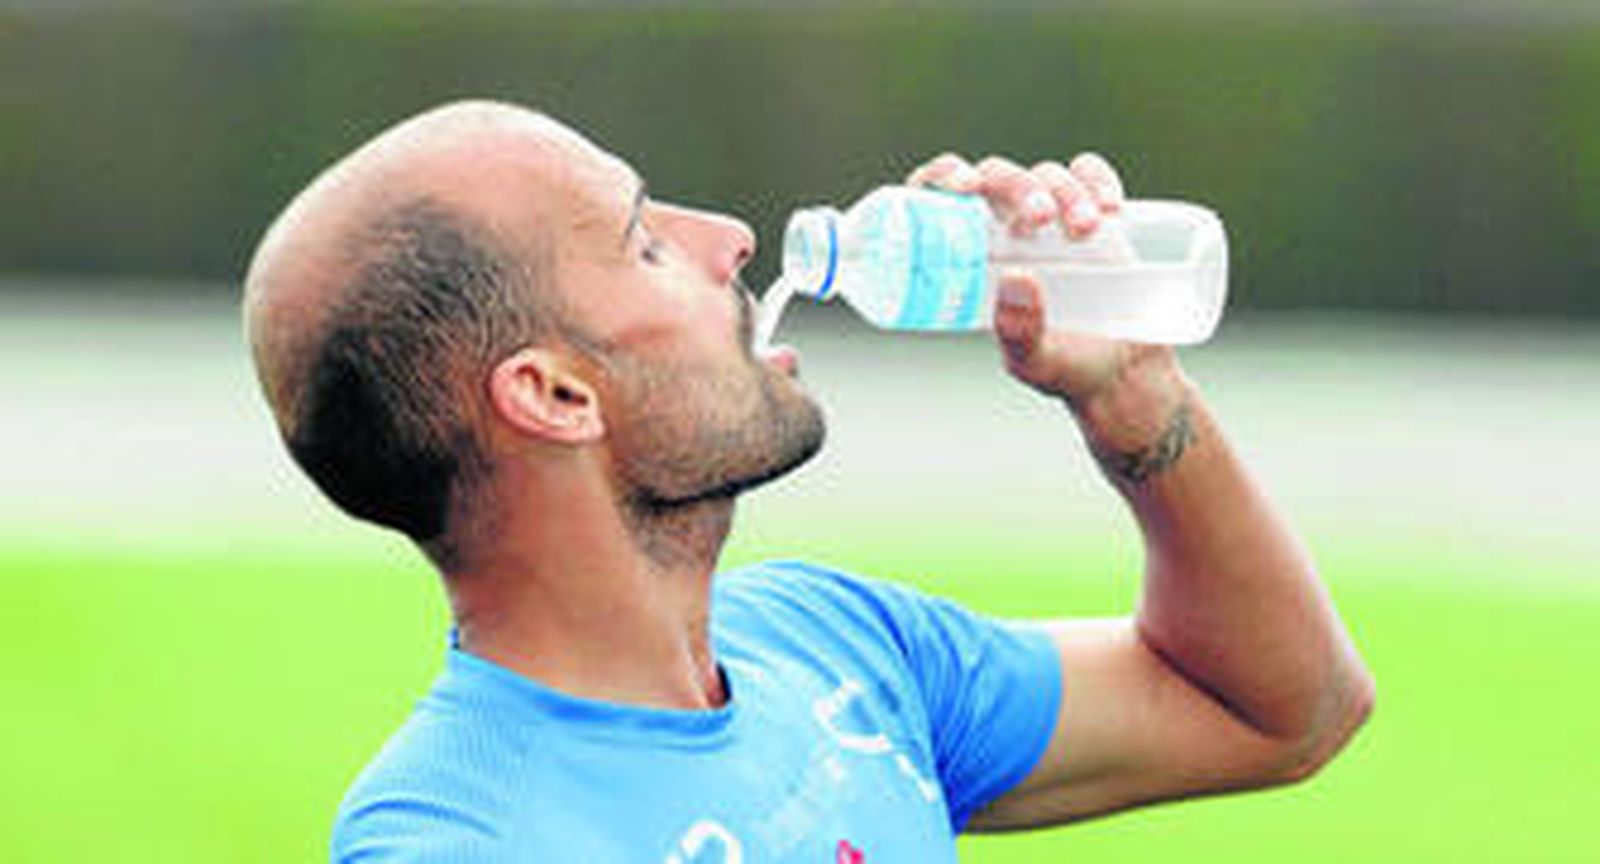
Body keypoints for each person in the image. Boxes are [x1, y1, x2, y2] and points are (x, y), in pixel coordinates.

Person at [242, 100, 1373, 862]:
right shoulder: (454, 831)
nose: (730, 238)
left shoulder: (834, 641)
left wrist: (1133, 400)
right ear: (554, 395)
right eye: (642, 241)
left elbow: (1278, 710)